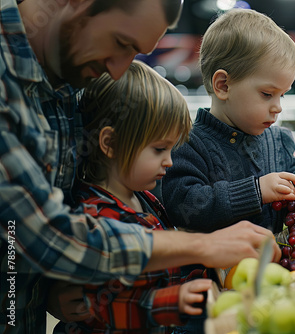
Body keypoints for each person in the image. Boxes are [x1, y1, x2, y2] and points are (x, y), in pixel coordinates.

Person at [0, 0, 280, 332]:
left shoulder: (68, 78)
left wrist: (50, 288)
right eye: (121, 43)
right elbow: (44, 232)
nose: (117, 69)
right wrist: (203, 246)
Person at [52, 60, 211, 334]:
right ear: (110, 143)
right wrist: (175, 301)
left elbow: (160, 274)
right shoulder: (94, 216)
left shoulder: (145, 198)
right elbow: (101, 307)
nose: (170, 162)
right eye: (159, 149)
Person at [161, 9, 295, 234]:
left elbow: (290, 168)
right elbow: (183, 208)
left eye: (283, 94)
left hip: (277, 263)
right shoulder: (189, 145)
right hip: (217, 267)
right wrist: (256, 191)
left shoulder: (277, 139)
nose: (278, 107)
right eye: (267, 94)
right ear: (223, 86)